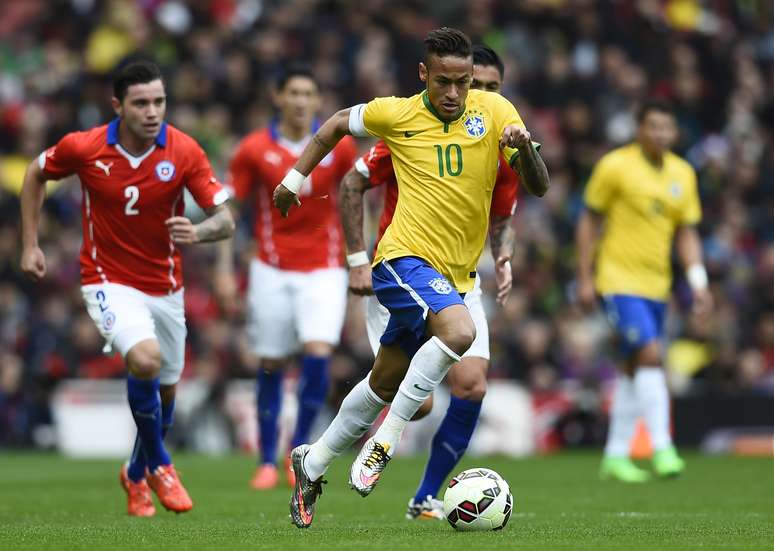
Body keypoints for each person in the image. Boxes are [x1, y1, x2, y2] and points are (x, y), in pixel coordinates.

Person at [274, 27, 549, 528]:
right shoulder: (397, 113)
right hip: (401, 261)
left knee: (384, 380)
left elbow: (539, 185)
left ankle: (310, 463)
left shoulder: (497, 113)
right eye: (444, 81)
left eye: (463, 82)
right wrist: (295, 179)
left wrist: (525, 147)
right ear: (424, 74)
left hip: (457, 274)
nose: (454, 93)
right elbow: (336, 124)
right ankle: (386, 440)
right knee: (460, 333)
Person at [19, 60, 235, 516]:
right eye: (141, 103)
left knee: (168, 393)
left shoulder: (184, 151)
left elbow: (226, 219)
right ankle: (160, 463)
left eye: (159, 101)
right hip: (107, 280)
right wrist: (31, 244)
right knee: (145, 359)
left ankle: (135, 474)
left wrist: (201, 233)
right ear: (118, 105)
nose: (152, 111)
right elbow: (35, 174)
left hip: (166, 286)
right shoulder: (85, 147)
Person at [338, 44, 519, 520]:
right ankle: (340, 447)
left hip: (461, 278)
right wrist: (357, 259)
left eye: (488, 88)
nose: (471, 95)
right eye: (467, 84)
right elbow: (352, 184)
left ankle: (424, 496)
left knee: (472, 384)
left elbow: (503, 216)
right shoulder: (410, 128)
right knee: (413, 403)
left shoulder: (502, 145)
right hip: (405, 269)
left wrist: (504, 254)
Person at [219, 66, 357, 490]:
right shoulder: (253, 149)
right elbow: (231, 211)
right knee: (271, 363)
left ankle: (296, 453)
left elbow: (354, 200)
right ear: (277, 97)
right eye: (293, 92)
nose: (301, 100)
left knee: (318, 352)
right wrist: (225, 269)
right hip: (271, 268)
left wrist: (360, 258)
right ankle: (264, 458)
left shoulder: (341, 147)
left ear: (318, 101)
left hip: (324, 268)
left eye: (309, 93)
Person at [575, 99, 712, 483]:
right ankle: (662, 448)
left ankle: (616, 455)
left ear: (675, 131)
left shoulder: (683, 173)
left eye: (667, 128)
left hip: (658, 286)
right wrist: (584, 277)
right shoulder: (615, 166)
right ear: (639, 129)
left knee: (633, 368)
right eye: (653, 126)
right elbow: (588, 219)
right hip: (618, 280)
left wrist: (698, 281)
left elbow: (687, 231)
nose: (661, 134)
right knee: (651, 355)